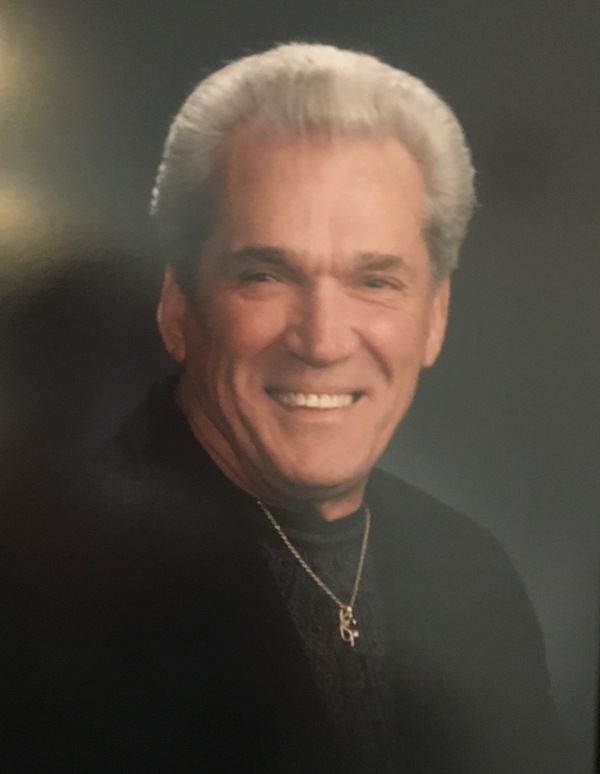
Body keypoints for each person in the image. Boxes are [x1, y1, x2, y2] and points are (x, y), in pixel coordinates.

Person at [2, 43, 569, 772]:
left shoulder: (473, 576)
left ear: (435, 316)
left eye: (375, 281)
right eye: (266, 274)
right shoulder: (42, 576)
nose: (323, 341)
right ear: (178, 307)